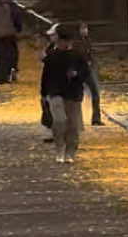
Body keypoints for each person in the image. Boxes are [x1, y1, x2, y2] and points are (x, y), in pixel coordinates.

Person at [39, 26, 91, 165]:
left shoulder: (77, 55)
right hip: (55, 92)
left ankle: (71, 151)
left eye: (66, 41)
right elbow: (46, 75)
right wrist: (43, 94)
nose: (63, 44)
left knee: (72, 124)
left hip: (73, 93)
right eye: (61, 41)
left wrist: (77, 75)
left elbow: (86, 73)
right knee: (59, 120)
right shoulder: (52, 56)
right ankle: (60, 148)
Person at [73, 22, 103, 126]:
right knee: (77, 95)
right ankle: (76, 120)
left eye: (86, 28)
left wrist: (92, 62)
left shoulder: (88, 41)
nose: (85, 30)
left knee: (95, 93)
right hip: (79, 71)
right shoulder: (76, 43)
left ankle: (96, 118)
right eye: (82, 28)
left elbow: (90, 54)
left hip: (87, 70)